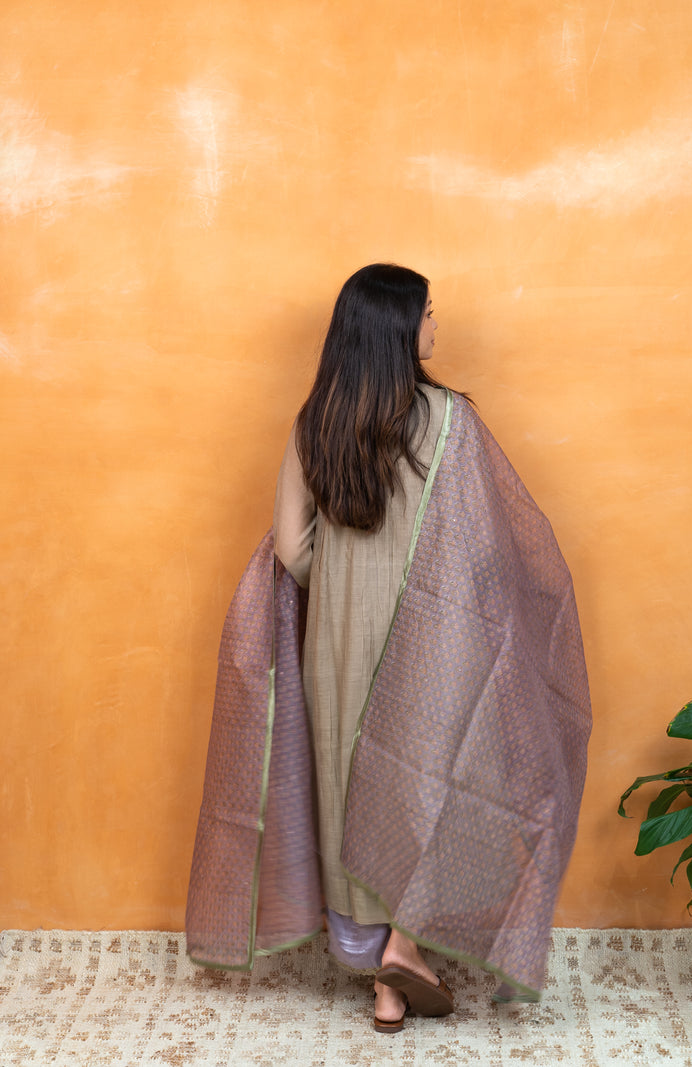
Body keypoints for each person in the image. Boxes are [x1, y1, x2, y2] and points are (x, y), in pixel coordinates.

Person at [185, 264, 592, 1035]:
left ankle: (385, 979)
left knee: (350, 788)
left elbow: (288, 547)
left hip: (334, 641)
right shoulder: (451, 422)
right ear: (401, 331)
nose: (437, 325)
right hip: (433, 636)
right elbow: (483, 550)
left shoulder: (317, 423)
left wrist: (338, 585)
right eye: (428, 314)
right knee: (430, 780)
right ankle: (408, 945)